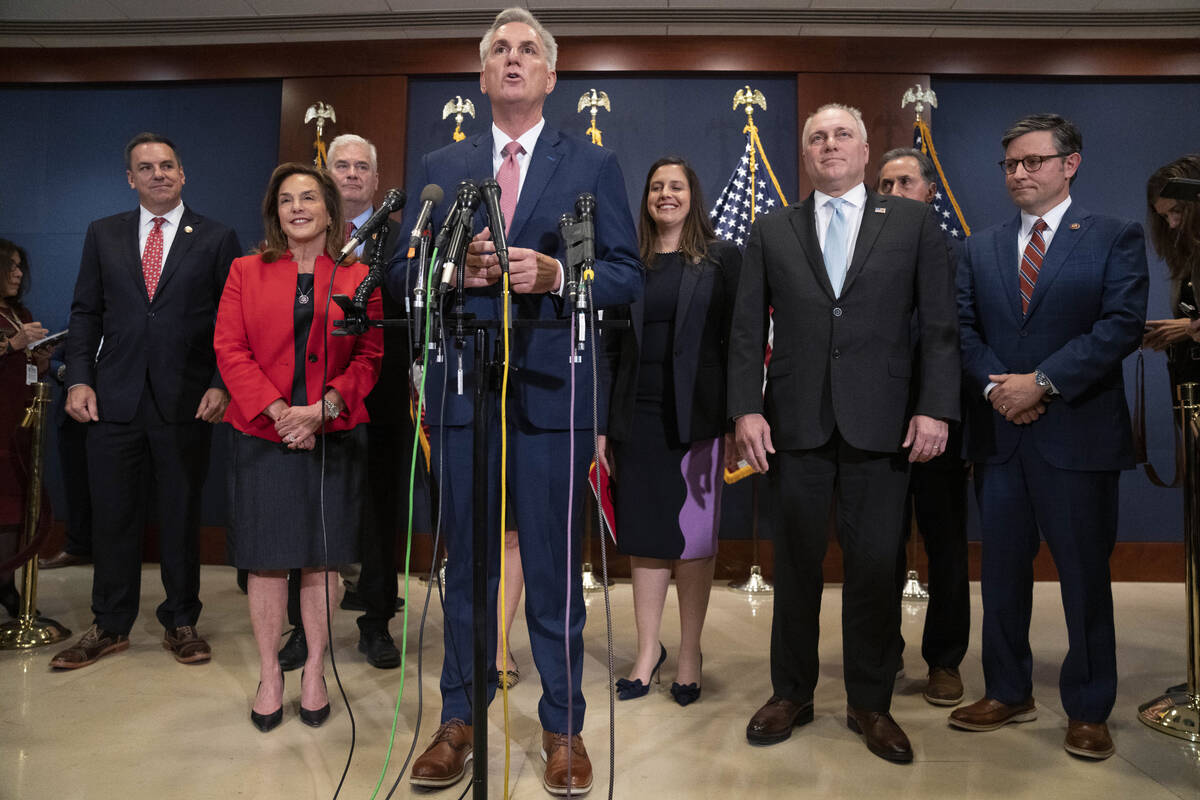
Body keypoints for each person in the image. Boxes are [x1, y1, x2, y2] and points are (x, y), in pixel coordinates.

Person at [387, 8, 642, 794]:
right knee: (465, 568)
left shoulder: (590, 165)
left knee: (556, 571)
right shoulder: (443, 162)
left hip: (553, 398)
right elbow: (404, 277)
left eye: (529, 49)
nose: (513, 58)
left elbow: (628, 275)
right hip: (465, 394)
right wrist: (450, 274)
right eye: (500, 48)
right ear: (482, 70)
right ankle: (458, 720)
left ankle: (564, 729)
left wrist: (558, 277)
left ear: (551, 74)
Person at [729, 103, 958, 763]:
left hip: (884, 426)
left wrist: (935, 407)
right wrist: (746, 409)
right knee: (795, 566)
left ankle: (870, 703)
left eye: (842, 135)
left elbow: (939, 327)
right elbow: (748, 332)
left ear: (864, 152)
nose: (829, 145)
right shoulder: (772, 229)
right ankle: (791, 693)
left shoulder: (913, 223)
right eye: (816, 137)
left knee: (875, 567)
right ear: (805, 155)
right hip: (794, 425)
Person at [952, 114, 1148, 760]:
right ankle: (1007, 689)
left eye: (1033, 161)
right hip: (1001, 438)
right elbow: (964, 330)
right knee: (1003, 577)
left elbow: (1119, 326)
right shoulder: (977, 249)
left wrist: (1040, 381)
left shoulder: (1115, 238)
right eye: (1011, 164)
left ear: (1071, 164)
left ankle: (1089, 708)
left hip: (1078, 439)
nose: (1020, 173)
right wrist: (998, 390)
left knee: (1083, 578)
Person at [50, 133, 241, 670]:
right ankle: (109, 625)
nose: (158, 174)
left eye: (167, 165)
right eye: (145, 167)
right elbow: (85, 313)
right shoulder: (103, 234)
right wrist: (80, 379)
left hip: (187, 399)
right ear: (129, 179)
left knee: (181, 514)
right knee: (113, 515)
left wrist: (220, 382)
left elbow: (231, 320)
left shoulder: (216, 236)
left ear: (183, 175)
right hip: (112, 399)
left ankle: (181, 620)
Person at [214, 162, 382, 731]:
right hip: (263, 434)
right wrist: (279, 411)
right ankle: (269, 672)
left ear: (331, 210)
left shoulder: (360, 273)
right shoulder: (244, 270)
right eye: (286, 200)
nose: (298, 208)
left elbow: (370, 356)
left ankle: (313, 669)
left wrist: (323, 408)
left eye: (309, 197)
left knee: (321, 559)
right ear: (275, 213)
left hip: (332, 435)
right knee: (265, 561)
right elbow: (230, 349)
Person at [597, 157, 740, 706]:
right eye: (656, 186)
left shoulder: (723, 259)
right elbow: (608, 350)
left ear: (692, 195)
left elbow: (737, 343)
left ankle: (688, 654)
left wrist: (733, 418)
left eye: (676, 186)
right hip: (636, 420)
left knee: (694, 542)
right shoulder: (625, 265)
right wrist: (602, 425)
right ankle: (647, 651)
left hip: (697, 419)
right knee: (645, 540)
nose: (665, 194)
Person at [273, 133, 409, 672]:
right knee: (303, 514)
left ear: (377, 180)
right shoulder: (302, 241)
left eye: (362, 167)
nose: (352, 174)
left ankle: (376, 621)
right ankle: (303, 631)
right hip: (308, 403)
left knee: (379, 513)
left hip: (385, 395)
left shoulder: (405, 239)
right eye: (341, 165)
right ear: (326, 176)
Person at [876, 147, 971, 706]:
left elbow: (955, 338)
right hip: (876, 425)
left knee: (946, 545)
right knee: (879, 548)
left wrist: (937, 408)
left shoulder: (960, 255)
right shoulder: (860, 254)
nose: (892, 192)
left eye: (904, 182)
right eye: (884, 183)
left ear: (929, 192)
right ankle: (883, 653)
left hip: (939, 422)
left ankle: (944, 660)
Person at [0, 239, 51, 617]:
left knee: (18, 509)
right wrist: (13, 344)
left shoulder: (18, 312)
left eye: (20, 266)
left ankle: (6, 585)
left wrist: (40, 357)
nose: (18, 273)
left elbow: (22, 365)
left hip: (20, 428)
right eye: (10, 266)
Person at [1143, 155, 1200, 385]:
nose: (1172, 223)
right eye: (1165, 216)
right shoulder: (1187, 255)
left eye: (1176, 210)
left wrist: (1186, 328)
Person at [40, 339, 94, 571]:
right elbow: (50, 360)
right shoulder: (78, 322)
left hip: (121, 414)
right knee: (75, 486)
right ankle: (77, 547)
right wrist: (65, 373)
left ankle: (115, 552)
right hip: (74, 418)